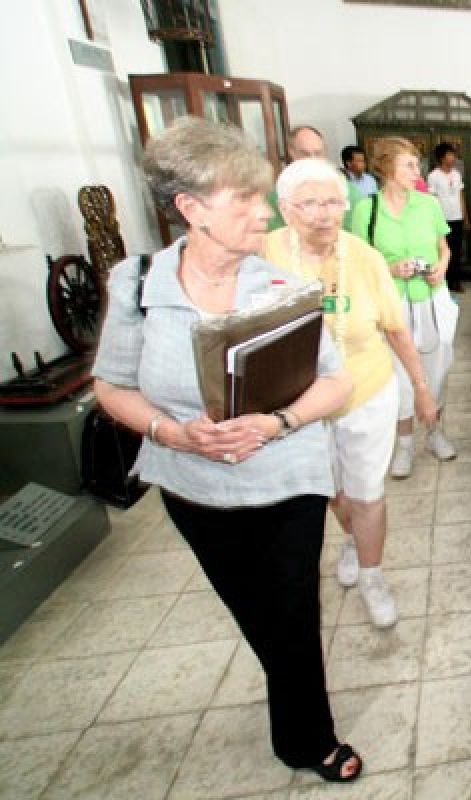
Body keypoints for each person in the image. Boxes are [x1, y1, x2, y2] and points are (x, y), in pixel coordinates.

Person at [91, 117, 362, 783]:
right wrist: (172, 432)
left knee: (294, 610)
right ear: (190, 208)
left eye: (259, 195)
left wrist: (278, 422)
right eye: (240, 198)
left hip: (286, 478)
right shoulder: (136, 287)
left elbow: (338, 380)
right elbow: (111, 385)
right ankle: (295, 698)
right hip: (194, 489)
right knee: (258, 614)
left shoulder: (281, 288)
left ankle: (308, 739)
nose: (260, 210)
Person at [265, 158, 437, 628]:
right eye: (310, 204)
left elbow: (397, 331)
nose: (324, 214)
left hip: (365, 394)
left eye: (333, 202)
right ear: (284, 208)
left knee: (367, 493)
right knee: (332, 492)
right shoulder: (263, 256)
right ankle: (352, 540)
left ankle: (372, 574)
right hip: (296, 406)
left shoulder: (363, 257)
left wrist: (422, 389)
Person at [350, 137, 458, 478]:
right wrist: (392, 270)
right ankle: (405, 444)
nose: (417, 171)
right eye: (409, 165)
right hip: (392, 301)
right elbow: (360, 262)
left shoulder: (428, 205)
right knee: (400, 375)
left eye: (417, 164)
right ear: (386, 168)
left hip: (432, 296)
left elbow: (444, 247)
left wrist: (442, 266)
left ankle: (435, 432)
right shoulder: (366, 210)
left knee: (437, 366)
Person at [267, 126, 361, 231]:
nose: (312, 159)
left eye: (318, 153)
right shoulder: (278, 195)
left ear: (325, 153)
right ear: (291, 153)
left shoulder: (348, 191)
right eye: (305, 154)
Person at [427, 142, 467, 292]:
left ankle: (455, 281)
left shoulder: (456, 174)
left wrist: (465, 216)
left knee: (456, 251)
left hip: (457, 218)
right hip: (442, 220)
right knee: (442, 251)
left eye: (453, 154)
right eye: (450, 155)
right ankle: (442, 280)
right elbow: (432, 199)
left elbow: (460, 195)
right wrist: (434, 220)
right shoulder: (433, 176)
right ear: (442, 158)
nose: (453, 157)